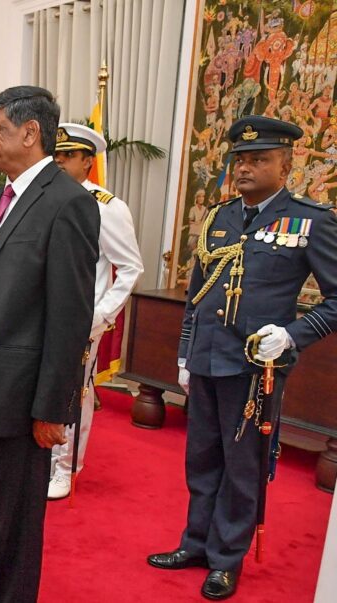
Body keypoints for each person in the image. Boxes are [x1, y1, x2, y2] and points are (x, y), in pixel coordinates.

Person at [148, 115, 337, 601]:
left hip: (255, 369)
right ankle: (195, 544)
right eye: (241, 160)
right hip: (208, 359)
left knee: (242, 467)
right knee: (201, 458)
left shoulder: (310, 221)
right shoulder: (220, 217)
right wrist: (186, 354)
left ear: (286, 165)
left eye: (259, 159)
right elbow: (197, 295)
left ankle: (225, 559)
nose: (245, 168)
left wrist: (292, 335)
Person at [0, 86, 99, 602]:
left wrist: (53, 408)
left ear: (30, 133)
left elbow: (69, 317)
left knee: (13, 533)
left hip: (15, 399)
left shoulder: (68, 203)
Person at [48, 123, 144, 499]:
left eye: (69, 155)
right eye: (56, 155)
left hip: (81, 318)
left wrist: (102, 315)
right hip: (41, 314)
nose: (59, 162)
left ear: (88, 161)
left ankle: (66, 467)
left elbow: (130, 267)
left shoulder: (106, 206)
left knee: (74, 392)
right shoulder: (44, 198)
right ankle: (42, 458)